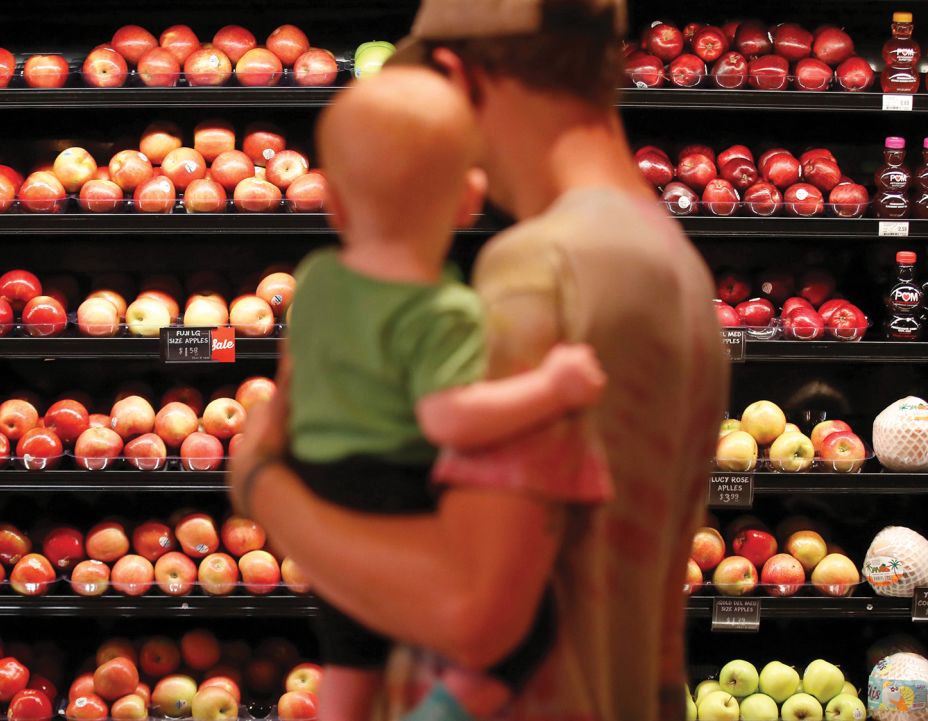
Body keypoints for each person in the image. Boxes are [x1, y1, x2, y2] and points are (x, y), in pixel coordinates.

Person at [227, 0, 731, 718]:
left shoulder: (540, 266)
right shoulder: (672, 261)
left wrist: (263, 482)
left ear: (459, 79)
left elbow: (471, 609)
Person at [287, 67, 608, 721]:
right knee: (527, 629)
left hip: (319, 491)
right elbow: (449, 419)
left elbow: (297, 374)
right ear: (469, 199)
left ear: (334, 205)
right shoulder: (444, 309)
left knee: (349, 653)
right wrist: (551, 386)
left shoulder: (314, 277)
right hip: (394, 494)